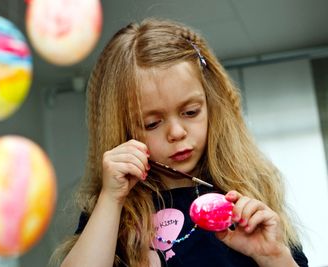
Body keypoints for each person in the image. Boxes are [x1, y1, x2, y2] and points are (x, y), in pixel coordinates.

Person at [51, 18, 308, 267]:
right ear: (125, 130)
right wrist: (111, 199)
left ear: (212, 105)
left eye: (191, 112)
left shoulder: (249, 194)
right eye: (152, 123)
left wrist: (274, 257)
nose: (176, 132)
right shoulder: (114, 207)